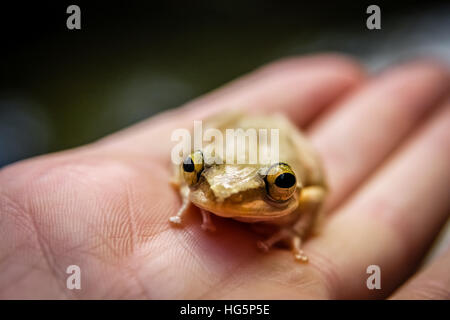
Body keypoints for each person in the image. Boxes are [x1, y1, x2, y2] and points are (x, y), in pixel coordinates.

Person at [0, 54, 448, 299]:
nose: (224, 195)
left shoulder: (289, 182)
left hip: (278, 148)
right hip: (241, 142)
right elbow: (187, 164)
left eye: (279, 187)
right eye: (199, 174)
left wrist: (293, 224)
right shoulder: (207, 174)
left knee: (286, 170)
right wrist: (188, 182)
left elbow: (314, 193)